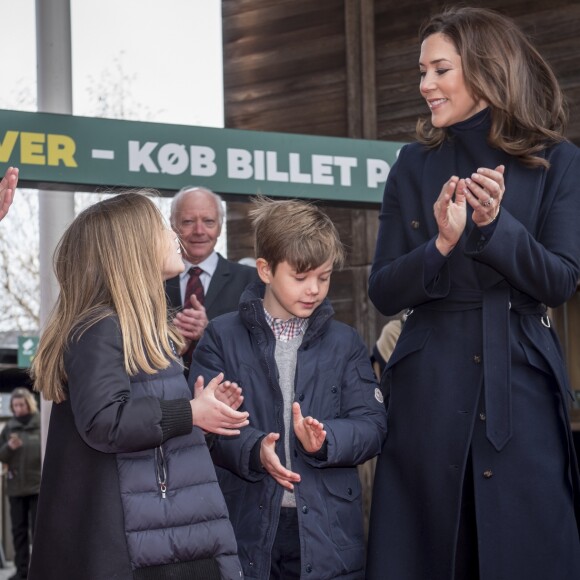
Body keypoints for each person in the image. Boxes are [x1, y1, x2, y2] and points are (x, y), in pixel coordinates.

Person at [366, 6, 580, 580]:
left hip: (523, 385)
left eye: (439, 70)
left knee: (530, 544)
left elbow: (559, 281)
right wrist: (440, 244)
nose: (424, 85)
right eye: (420, 72)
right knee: (426, 548)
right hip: (427, 388)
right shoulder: (411, 165)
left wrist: (495, 227)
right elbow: (382, 290)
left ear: (485, 70)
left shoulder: (558, 160)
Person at [28, 192, 249, 580]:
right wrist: (190, 412)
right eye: (162, 227)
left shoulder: (137, 330)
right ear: (132, 248)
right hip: (141, 543)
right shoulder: (101, 327)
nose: (174, 235)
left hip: (167, 534)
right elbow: (106, 422)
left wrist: (202, 415)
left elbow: (151, 428)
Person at [190, 197, 388, 579]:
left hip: (326, 532)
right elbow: (199, 430)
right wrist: (252, 448)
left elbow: (374, 426)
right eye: (300, 277)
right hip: (245, 523)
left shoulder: (345, 342)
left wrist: (326, 439)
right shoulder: (221, 336)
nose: (314, 289)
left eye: (324, 277)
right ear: (265, 270)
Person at [164, 186, 259, 374]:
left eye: (208, 221)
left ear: (220, 226)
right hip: (167, 398)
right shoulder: (153, 282)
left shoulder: (252, 280)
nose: (199, 231)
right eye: (188, 221)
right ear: (173, 225)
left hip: (228, 395)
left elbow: (261, 347)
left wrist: (210, 332)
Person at [0, 388, 41, 580]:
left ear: (29, 404)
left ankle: (40, 569)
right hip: (16, 488)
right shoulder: (9, 428)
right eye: (15, 405)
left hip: (38, 487)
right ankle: (22, 571)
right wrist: (9, 448)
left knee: (39, 531)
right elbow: (1, 455)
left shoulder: (41, 423)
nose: (18, 408)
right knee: (19, 532)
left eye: (21, 404)